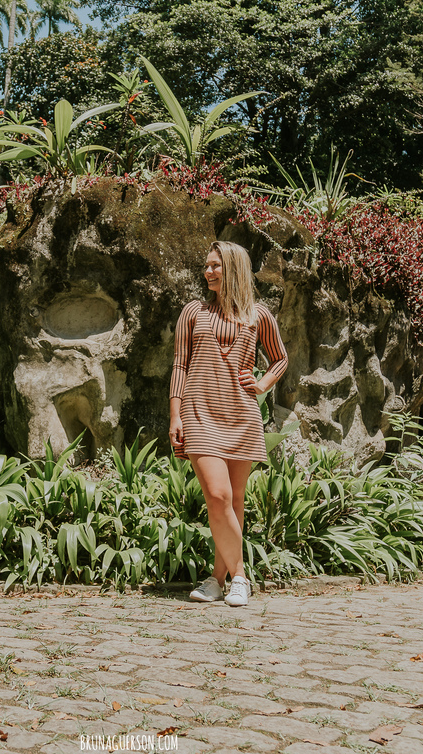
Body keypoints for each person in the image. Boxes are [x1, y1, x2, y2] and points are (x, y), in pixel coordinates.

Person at [169, 240, 288, 608]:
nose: (208, 272)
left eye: (215, 266)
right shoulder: (193, 312)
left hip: (241, 415)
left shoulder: (258, 315)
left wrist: (263, 383)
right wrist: (175, 414)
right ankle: (241, 576)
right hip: (199, 412)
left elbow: (280, 359)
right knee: (217, 496)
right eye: (206, 266)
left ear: (233, 268)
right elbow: (180, 365)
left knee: (235, 501)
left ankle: (217, 580)